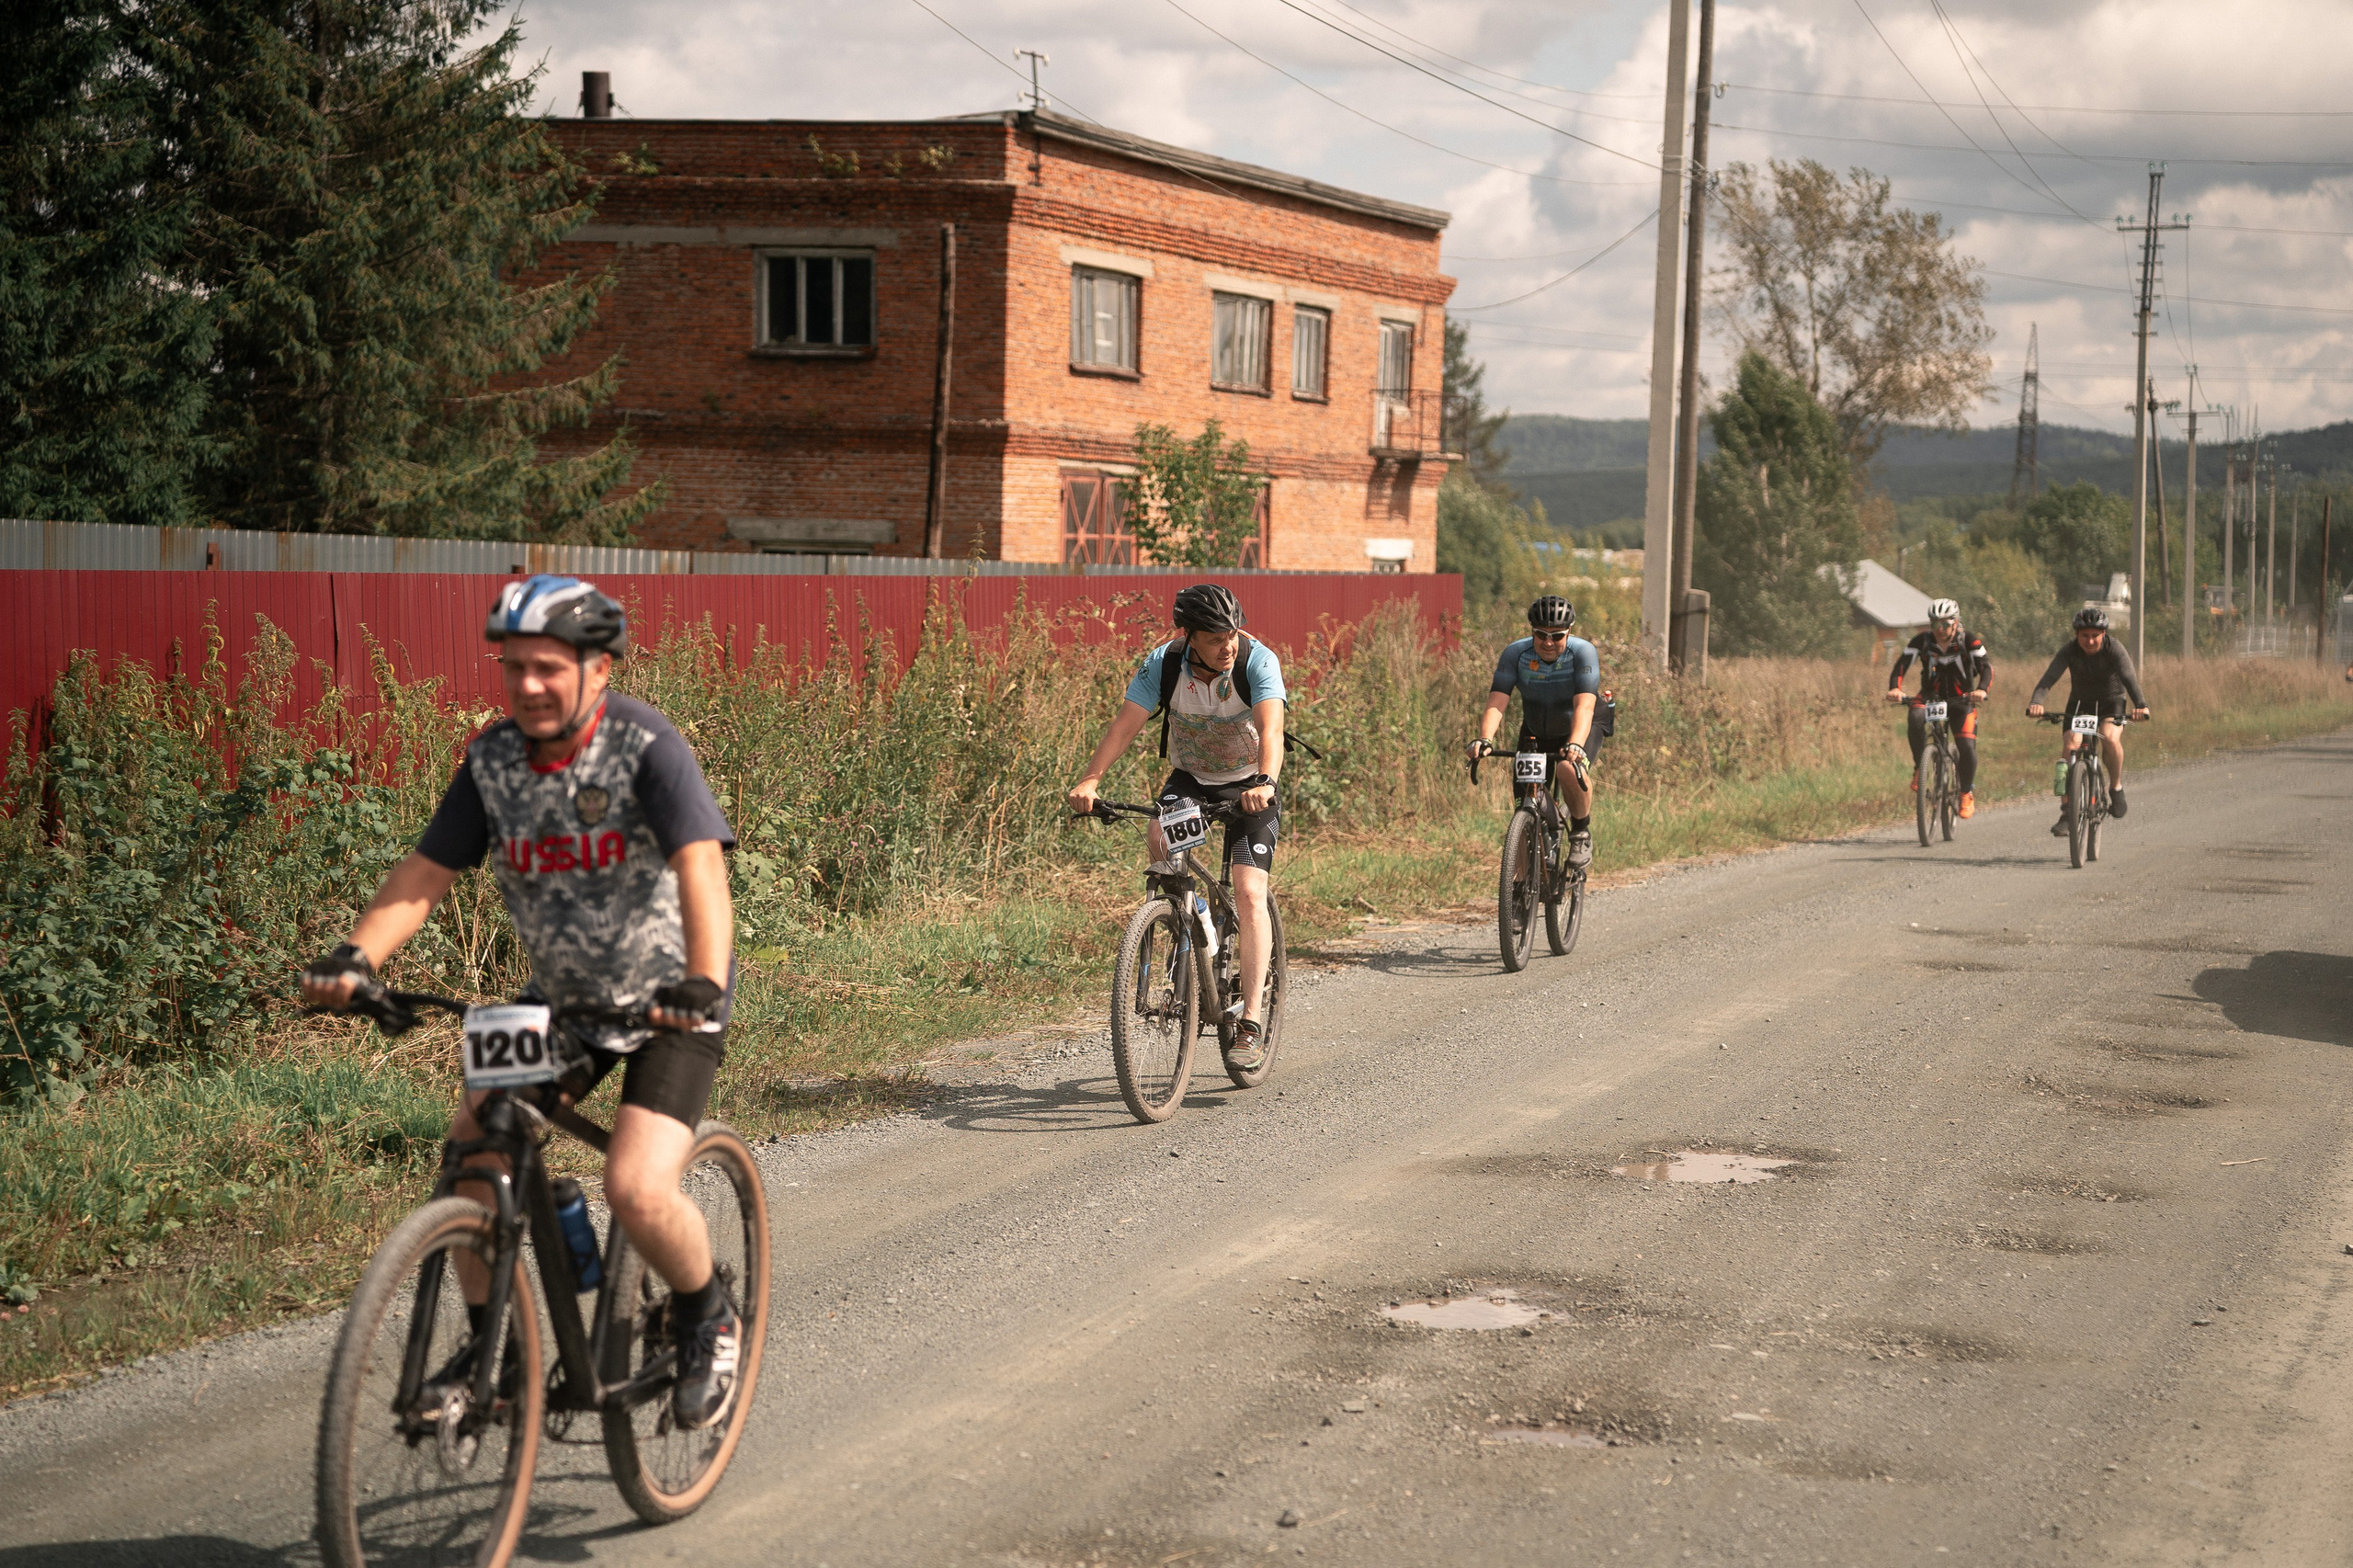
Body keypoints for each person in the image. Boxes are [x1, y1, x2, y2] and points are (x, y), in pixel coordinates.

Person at [299, 575, 745, 1430]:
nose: (529, 685)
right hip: (562, 1002)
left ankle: (704, 1315)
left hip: (671, 1005)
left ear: (599, 669)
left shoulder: (646, 746)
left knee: (639, 1186)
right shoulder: (493, 761)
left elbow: (700, 867)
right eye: (514, 669)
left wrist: (703, 979)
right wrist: (358, 958)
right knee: (473, 1154)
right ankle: (492, 1349)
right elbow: (428, 873)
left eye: (548, 666)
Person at [1067, 585, 1286, 1073]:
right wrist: (1091, 778)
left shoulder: (1257, 662)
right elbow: (1126, 723)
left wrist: (1266, 782)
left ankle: (1249, 1020)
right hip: (1191, 781)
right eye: (1214, 638)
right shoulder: (1165, 665)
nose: (1227, 646)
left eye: (1231, 633)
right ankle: (1195, 918)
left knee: (1250, 892)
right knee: (1162, 845)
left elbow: (1272, 730)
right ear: (1188, 638)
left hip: (1251, 787)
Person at [1467, 596, 1600, 869]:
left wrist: (1575, 744)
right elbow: (1497, 700)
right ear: (1531, 631)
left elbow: (1585, 707)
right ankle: (1518, 889)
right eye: (1540, 634)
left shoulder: (1583, 653)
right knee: (1525, 803)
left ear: (1569, 632)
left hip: (1579, 727)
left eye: (1557, 635)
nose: (1548, 642)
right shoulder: (1516, 654)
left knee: (1566, 767)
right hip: (1535, 729)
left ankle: (1580, 833)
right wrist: (1485, 738)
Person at [2026, 606, 2152, 834]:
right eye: (2085, 635)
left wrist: (2141, 706)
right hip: (2080, 704)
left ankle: (2115, 788)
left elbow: (2129, 678)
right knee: (2069, 746)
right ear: (2076, 635)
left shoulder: (2115, 649)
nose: (2090, 641)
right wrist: (2036, 702)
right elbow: (2049, 678)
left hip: (2111, 702)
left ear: (2104, 634)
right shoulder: (2069, 650)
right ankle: (2066, 810)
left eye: (2095, 635)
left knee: (2110, 738)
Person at [1882, 597, 1992, 819]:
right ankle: (1919, 768)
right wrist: (1895, 688)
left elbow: (1986, 667)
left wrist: (1981, 690)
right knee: (1915, 715)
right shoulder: (1922, 641)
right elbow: (1901, 665)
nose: (1940, 629)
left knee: (1966, 747)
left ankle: (1965, 792)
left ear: (1956, 622)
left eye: (1945, 624)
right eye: (1935, 624)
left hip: (1962, 699)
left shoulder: (1969, 641)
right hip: (1931, 696)